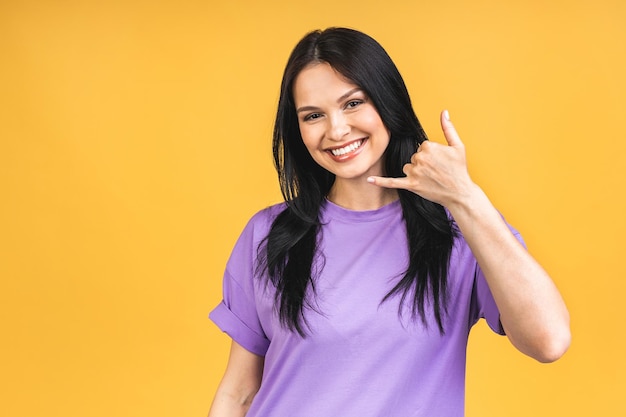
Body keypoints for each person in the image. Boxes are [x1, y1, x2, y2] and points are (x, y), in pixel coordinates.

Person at [207, 27, 570, 417]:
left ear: (387, 100)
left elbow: (548, 341)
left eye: (352, 103)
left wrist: (466, 197)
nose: (336, 130)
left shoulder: (457, 229)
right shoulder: (269, 234)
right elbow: (240, 392)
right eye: (313, 115)